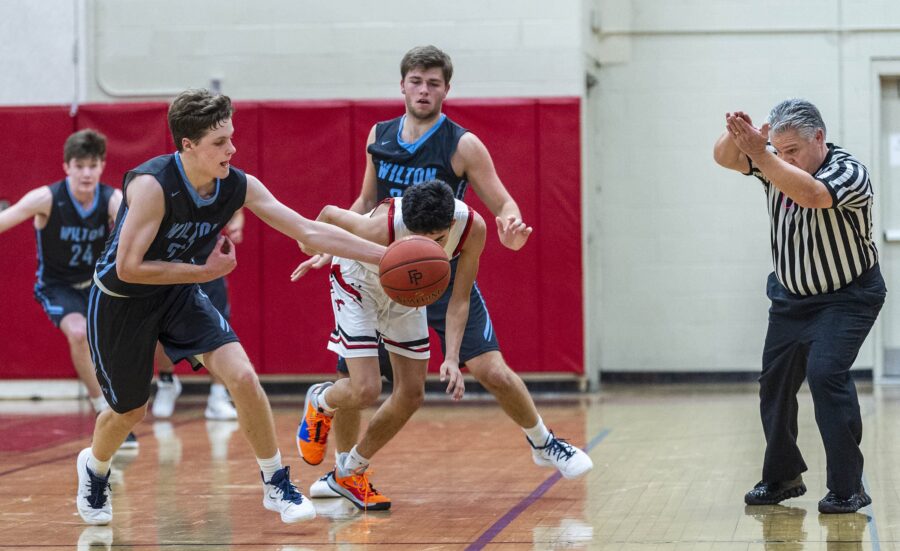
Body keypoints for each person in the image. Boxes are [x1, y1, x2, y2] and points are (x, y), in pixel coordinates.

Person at [74, 88, 386, 526]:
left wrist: (386, 256)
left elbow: (307, 231)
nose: (232, 149)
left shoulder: (237, 184)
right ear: (188, 145)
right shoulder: (152, 185)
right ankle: (95, 466)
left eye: (232, 137)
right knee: (130, 410)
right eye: (220, 142)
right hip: (121, 300)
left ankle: (275, 482)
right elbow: (128, 268)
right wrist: (203, 272)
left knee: (242, 375)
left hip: (177, 293)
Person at [295, 45, 593, 499]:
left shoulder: (462, 145)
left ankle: (543, 441)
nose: (423, 90)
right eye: (416, 81)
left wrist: (511, 225)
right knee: (355, 384)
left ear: (446, 89)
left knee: (491, 369)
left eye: (433, 83)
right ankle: (344, 473)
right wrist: (332, 244)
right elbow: (364, 201)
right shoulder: (379, 134)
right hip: (381, 267)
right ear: (402, 85)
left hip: (441, 270)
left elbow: (503, 201)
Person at [714, 98, 885, 514]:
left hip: (847, 296)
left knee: (825, 374)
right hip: (791, 298)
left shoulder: (849, 172)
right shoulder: (772, 161)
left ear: (819, 138)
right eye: (779, 149)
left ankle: (847, 488)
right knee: (774, 383)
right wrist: (739, 136)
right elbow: (723, 158)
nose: (784, 158)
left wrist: (761, 153)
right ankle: (782, 477)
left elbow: (811, 195)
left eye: (792, 150)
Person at [295, 180, 478, 510]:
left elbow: (460, 299)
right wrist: (312, 245)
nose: (427, 249)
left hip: (406, 287)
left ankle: (349, 472)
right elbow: (329, 214)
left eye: (437, 241)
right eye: (417, 240)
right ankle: (321, 401)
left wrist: (452, 357)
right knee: (366, 390)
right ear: (407, 224)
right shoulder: (380, 226)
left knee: (412, 393)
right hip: (358, 282)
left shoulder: (471, 229)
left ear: (451, 224)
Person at [0, 129, 138, 449]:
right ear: (67, 167)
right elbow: (6, 220)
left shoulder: (113, 200)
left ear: (102, 166)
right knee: (78, 333)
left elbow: (142, 227)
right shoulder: (46, 198)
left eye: (92, 165)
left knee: (117, 346)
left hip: (98, 286)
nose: (86, 173)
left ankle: (119, 407)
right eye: (79, 166)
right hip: (57, 286)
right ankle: (102, 408)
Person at [151, 208, 245, 421]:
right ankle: (167, 380)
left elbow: (237, 210)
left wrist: (236, 225)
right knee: (160, 328)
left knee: (217, 332)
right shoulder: (165, 192)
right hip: (171, 266)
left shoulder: (217, 192)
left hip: (209, 265)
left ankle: (218, 396)